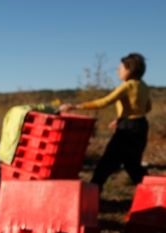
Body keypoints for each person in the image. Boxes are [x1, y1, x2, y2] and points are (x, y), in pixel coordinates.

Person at [60, 53, 151, 187]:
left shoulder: (127, 86)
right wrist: (121, 119)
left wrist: (75, 106)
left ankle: (93, 193)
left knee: (106, 163)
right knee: (133, 164)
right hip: (141, 125)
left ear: (129, 70)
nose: (118, 71)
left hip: (128, 128)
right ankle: (153, 191)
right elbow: (147, 107)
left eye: (121, 68)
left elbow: (105, 101)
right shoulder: (144, 86)